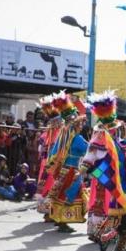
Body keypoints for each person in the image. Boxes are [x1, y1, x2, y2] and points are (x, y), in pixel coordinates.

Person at [82, 91, 126, 251]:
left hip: (122, 183)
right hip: (109, 181)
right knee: (121, 215)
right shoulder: (101, 140)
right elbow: (91, 156)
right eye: (114, 128)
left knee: (124, 215)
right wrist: (86, 168)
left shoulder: (122, 144)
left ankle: (117, 245)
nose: (116, 131)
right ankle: (106, 239)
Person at [45, 92, 88, 233]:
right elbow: (89, 150)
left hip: (63, 169)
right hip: (73, 171)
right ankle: (63, 221)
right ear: (76, 124)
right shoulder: (77, 139)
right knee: (69, 195)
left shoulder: (63, 136)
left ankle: (57, 218)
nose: (81, 126)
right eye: (80, 123)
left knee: (60, 193)